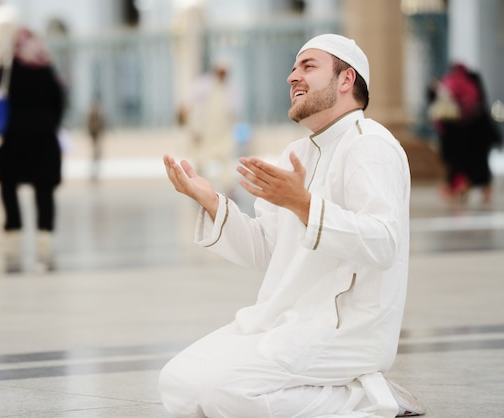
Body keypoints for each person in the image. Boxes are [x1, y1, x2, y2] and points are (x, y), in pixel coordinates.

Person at [160, 34, 425, 417]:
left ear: (346, 79)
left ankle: (373, 401)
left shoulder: (370, 146)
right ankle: (352, 398)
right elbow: (266, 248)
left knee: (226, 392)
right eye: (293, 67)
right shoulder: (295, 153)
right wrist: (211, 201)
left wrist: (304, 205)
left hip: (347, 326)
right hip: (285, 318)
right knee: (178, 382)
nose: (292, 77)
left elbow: (384, 242)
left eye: (308, 66)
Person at [0, 4, 65, 271]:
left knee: (8, 184)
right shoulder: (47, 68)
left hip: (15, 139)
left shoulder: (11, 67)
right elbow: (61, 103)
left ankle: (13, 232)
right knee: (45, 191)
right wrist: (49, 124)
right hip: (44, 140)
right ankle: (45, 237)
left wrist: (2, 56)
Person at [429, 63, 502, 205]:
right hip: (477, 130)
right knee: (479, 163)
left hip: (457, 131)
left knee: (459, 163)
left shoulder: (450, 82)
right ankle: (483, 189)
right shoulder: (472, 82)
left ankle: (461, 187)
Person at [180, 62, 239, 194]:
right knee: (200, 161)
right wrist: (193, 128)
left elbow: (233, 111)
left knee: (226, 160)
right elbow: (190, 105)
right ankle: (199, 187)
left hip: (222, 134)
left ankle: (229, 187)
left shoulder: (230, 89)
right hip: (204, 134)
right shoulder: (202, 85)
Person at [85, 97, 106, 182]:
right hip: (94, 134)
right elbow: (91, 125)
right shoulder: (93, 113)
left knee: (97, 152)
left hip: (95, 134)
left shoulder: (96, 113)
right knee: (96, 152)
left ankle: (95, 169)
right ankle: (94, 170)